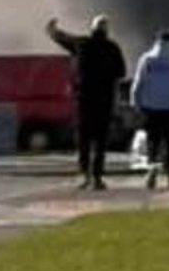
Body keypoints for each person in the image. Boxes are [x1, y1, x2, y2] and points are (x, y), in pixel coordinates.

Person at [46, 15, 127, 190]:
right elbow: (121, 72)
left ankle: (85, 174)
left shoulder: (82, 44)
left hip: (84, 100)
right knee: (100, 141)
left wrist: (52, 30)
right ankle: (97, 176)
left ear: (92, 29)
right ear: (106, 30)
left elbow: (63, 38)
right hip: (104, 101)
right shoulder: (112, 48)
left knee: (83, 139)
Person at [131, 31, 169, 190]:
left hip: (151, 108)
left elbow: (137, 84)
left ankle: (152, 173)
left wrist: (136, 104)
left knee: (153, 143)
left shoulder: (147, 59)